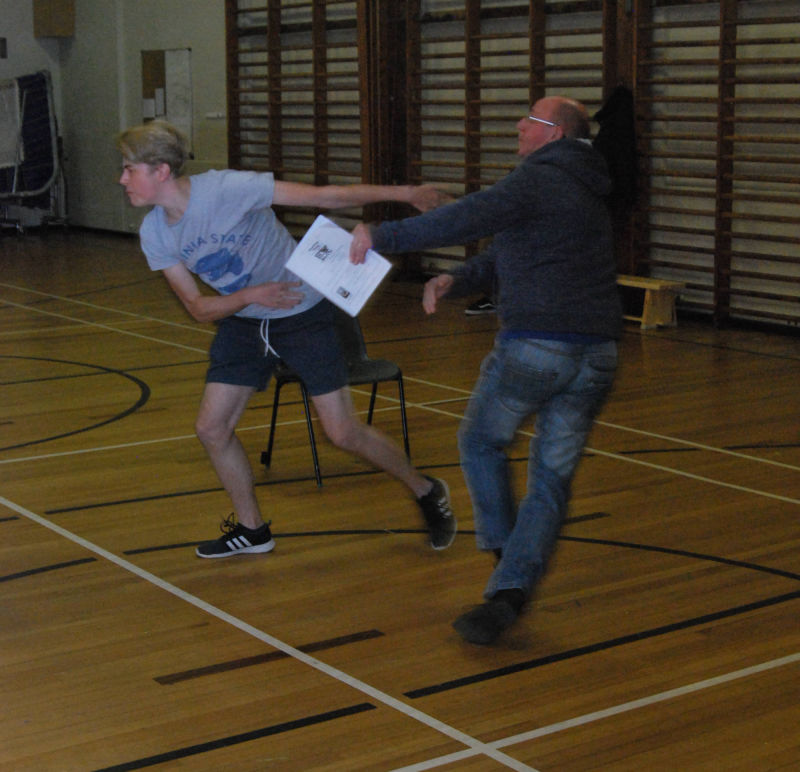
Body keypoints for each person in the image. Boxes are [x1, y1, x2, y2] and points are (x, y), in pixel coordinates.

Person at [350, 96, 622, 644]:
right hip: (598, 356)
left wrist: (381, 237)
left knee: (478, 441)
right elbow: (509, 250)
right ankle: (510, 592)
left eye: (531, 119)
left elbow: (469, 214)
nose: (520, 125)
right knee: (550, 479)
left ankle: (505, 556)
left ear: (555, 134)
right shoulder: (585, 187)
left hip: (538, 349)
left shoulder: (539, 178)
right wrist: (459, 279)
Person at [116, 120, 456, 558]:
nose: (122, 179)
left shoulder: (226, 189)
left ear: (160, 170)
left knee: (342, 432)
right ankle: (253, 529)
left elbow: (324, 197)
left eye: (129, 169)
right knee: (211, 428)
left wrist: (407, 193)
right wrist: (251, 296)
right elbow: (199, 309)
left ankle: (426, 489)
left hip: (303, 313)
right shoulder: (156, 233)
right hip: (244, 322)